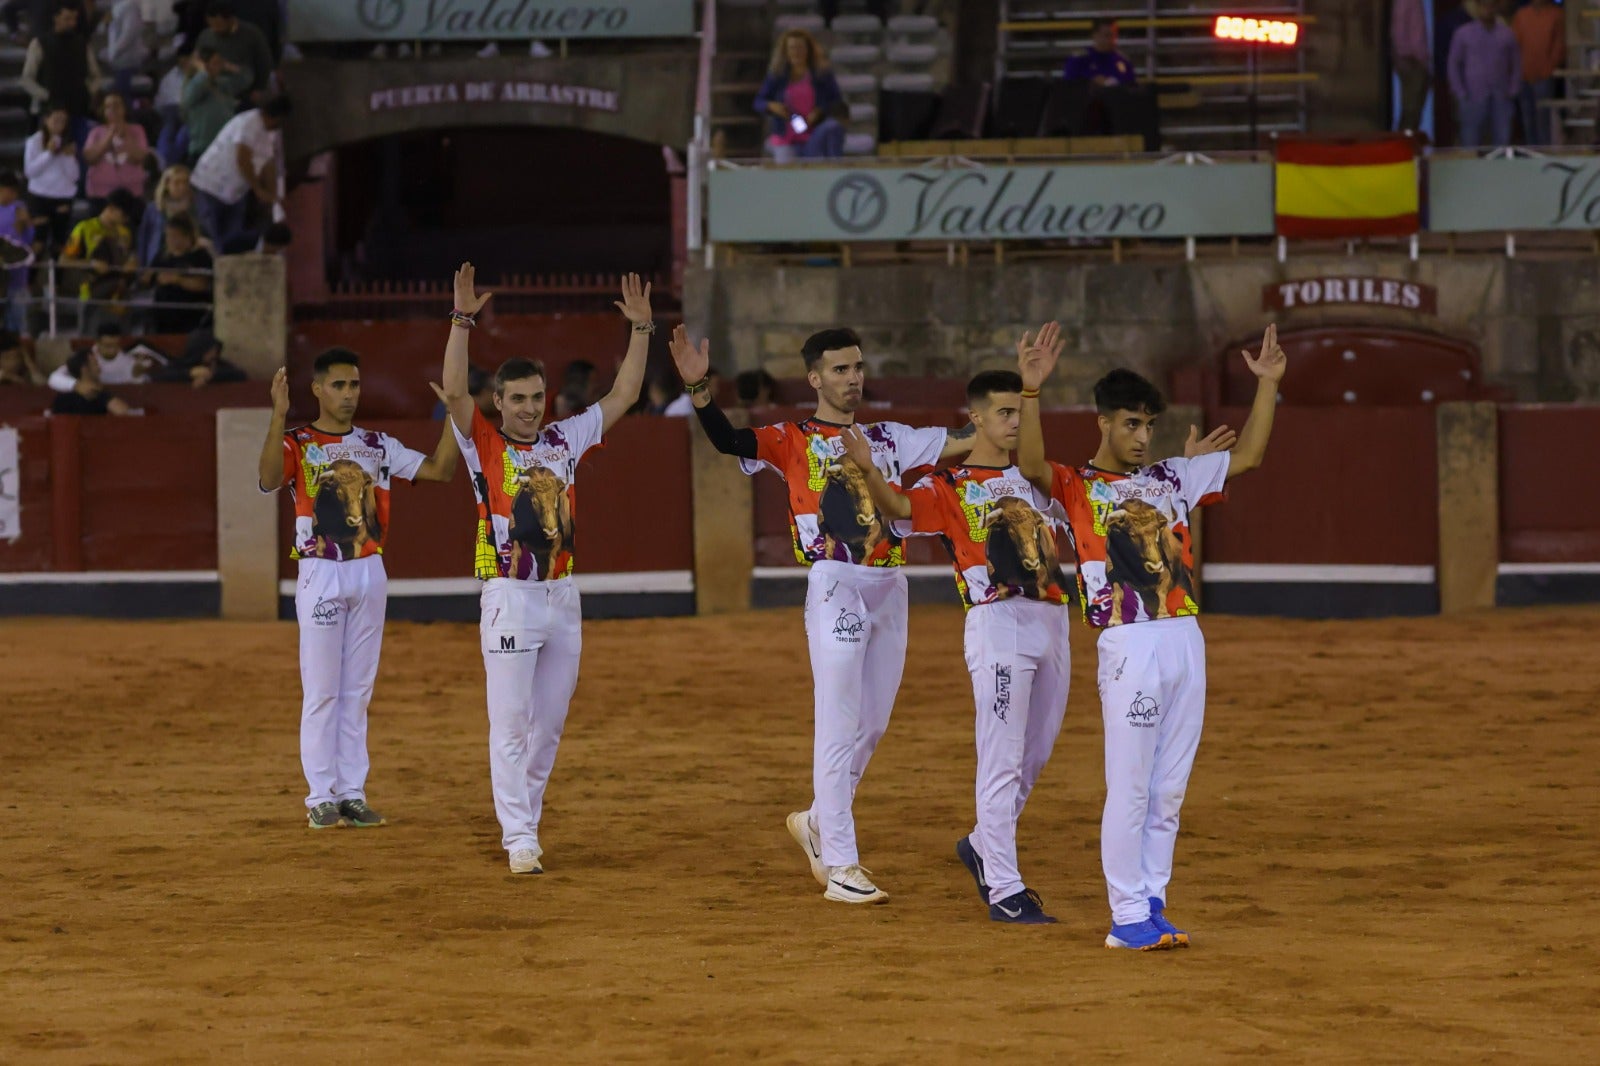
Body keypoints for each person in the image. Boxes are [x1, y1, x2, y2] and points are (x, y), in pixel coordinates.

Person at [667, 323, 977, 904]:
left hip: (890, 584)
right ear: (814, 378)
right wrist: (700, 389)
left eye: (857, 367)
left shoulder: (890, 437)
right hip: (835, 581)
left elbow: (962, 440)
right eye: (839, 369)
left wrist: (1011, 412)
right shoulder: (790, 437)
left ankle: (817, 821)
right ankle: (840, 863)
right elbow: (730, 443)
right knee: (837, 722)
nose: (852, 378)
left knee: (873, 723)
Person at [1015, 322, 1283, 951]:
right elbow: (1029, 463)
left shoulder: (1171, 479)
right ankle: (1126, 914)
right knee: (1132, 785)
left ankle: (1153, 898)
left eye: (1148, 426)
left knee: (1168, 787)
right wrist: (1031, 393)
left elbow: (1249, 458)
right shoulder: (1075, 487)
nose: (1141, 437)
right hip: (1128, 642)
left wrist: (1268, 386)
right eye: (1131, 424)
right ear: (1103, 423)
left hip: (1185, 637)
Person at [837, 364, 1075, 924]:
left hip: (1052, 620)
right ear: (976, 418)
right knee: (1001, 758)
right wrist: (871, 471)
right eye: (1004, 413)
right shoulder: (945, 487)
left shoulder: (1036, 483)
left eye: (1021, 412)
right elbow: (896, 512)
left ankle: (981, 844)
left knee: (1034, 756)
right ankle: (1005, 888)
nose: (1015, 423)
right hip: (998, 624)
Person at [435, 264, 653, 874]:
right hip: (508, 593)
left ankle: (525, 821)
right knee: (510, 724)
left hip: (561, 595)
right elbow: (454, 391)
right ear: (498, 402)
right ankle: (518, 836)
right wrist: (461, 321)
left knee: (548, 727)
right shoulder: (481, 441)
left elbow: (625, 395)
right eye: (518, 400)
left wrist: (642, 331)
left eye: (537, 398)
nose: (530, 409)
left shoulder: (566, 438)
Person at [256, 346, 459, 830]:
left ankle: (351, 792)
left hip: (369, 570)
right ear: (318, 390)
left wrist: (454, 415)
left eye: (355, 385)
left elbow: (440, 470)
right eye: (340, 386)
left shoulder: (378, 444)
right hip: (321, 570)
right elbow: (266, 480)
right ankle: (319, 796)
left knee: (358, 690)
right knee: (323, 689)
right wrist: (277, 415)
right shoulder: (297, 442)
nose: (349, 394)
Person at [189, 95, 289, 250]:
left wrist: (272, 197)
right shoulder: (249, 123)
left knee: (231, 241)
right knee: (212, 240)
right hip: (211, 186)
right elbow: (242, 159)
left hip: (234, 192)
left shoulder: (269, 132)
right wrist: (258, 189)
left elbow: (268, 164)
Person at [754, 29, 845, 163]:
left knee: (832, 128)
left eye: (800, 48)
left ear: (808, 50)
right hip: (786, 137)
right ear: (786, 51)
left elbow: (836, 100)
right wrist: (772, 106)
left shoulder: (822, 74)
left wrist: (820, 110)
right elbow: (758, 102)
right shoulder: (777, 75)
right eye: (792, 48)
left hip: (814, 133)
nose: (796, 52)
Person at [18, 2, 102, 137]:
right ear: (56, 18)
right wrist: (47, 95)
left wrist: (87, 91)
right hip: (50, 113)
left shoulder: (82, 44)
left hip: (77, 109)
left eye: (74, 18)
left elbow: (96, 76)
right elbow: (27, 79)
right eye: (67, 18)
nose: (72, 23)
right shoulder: (39, 44)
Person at [1448, 2, 1521, 149]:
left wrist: (1513, 89)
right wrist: (1460, 92)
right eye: (1484, 5)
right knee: (1470, 144)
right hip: (1472, 98)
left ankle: (1499, 172)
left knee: (1502, 145)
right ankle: (1471, 171)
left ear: (1497, 8)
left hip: (1501, 97)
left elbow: (1516, 63)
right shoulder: (1463, 33)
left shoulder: (1507, 34)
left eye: (1492, 5)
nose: (1488, 9)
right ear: (1478, 8)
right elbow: (1453, 64)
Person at [60, 187, 137, 320]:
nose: (125, 220)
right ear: (111, 208)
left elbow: (129, 257)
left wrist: (132, 262)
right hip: (91, 294)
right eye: (123, 215)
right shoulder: (84, 228)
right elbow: (64, 260)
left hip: (119, 296)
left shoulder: (125, 233)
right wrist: (91, 263)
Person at [23, 104, 80, 252]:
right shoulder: (34, 141)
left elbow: (74, 176)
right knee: (38, 242)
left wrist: (68, 158)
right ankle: (29, 275)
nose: (59, 124)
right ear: (46, 120)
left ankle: (57, 274)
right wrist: (48, 153)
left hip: (62, 196)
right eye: (56, 120)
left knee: (60, 243)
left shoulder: (69, 143)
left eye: (63, 121)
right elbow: (30, 171)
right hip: (39, 195)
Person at [143, 212, 212, 333]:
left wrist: (177, 279)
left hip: (191, 315)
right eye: (168, 236)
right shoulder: (162, 255)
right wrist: (148, 277)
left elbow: (203, 285)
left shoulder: (200, 256)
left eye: (175, 236)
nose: (170, 240)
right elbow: (146, 279)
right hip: (162, 314)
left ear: (187, 236)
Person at [195, 0, 273, 105]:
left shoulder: (252, 34)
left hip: (244, 87)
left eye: (218, 25)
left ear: (231, 19)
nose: (215, 29)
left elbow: (264, 62)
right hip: (215, 89)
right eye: (211, 24)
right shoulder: (206, 36)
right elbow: (197, 60)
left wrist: (259, 88)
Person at [82, 91, 150, 207]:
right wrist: (109, 136)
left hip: (132, 192)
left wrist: (126, 136)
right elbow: (90, 158)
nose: (113, 109)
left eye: (117, 105)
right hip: (100, 193)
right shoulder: (96, 132)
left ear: (124, 108)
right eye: (108, 106)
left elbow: (140, 157)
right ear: (103, 111)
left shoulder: (137, 130)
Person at [1512, 0, 1563, 146]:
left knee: (1543, 120)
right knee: (1527, 119)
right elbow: (1514, 46)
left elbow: (1559, 47)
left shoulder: (1556, 14)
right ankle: (1531, 154)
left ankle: (1544, 155)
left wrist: (1546, 71)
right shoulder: (1521, 15)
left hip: (1544, 77)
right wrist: (1519, 72)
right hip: (1523, 77)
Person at [47, 321, 152, 389]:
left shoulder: (129, 362)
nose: (112, 350)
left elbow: (137, 391)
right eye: (108, 346)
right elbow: (54, 378)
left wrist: (137, 375)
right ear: (97, 342)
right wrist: (77, 385)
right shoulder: (85, 358)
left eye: (116, 345)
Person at [181, 45, 237, 165]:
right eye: (215, 63)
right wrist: (202, 72)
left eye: (220, 63)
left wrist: (231, 68)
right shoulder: (194, 86)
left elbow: (241, 81)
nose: (219, 67)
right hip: (204, 149)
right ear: (205, 65)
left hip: (224, 147)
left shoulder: (222, 84)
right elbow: (190, 96)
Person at [135, 164, 197, 267]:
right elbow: (143, 239)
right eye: (177, 183)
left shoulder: (196, 209)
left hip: (187, 261)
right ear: (167, 184)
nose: (182, 187)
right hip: (157, 260)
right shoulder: (153, 209)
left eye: (185, 182)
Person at [50, 346, 135, 414]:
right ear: (85, 369)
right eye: (95, 364)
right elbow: (123, 411)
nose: (99, 368)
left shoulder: (61, 397)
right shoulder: (97, 395)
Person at [149, 324, 243, 386]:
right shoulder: (180, 365)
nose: (214, 354)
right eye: (209, 351)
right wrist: (190, 373)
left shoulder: (219, 365)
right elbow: (158, 377)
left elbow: (240, 375)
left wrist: (210, 376)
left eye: (215, 350)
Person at [0, 172, 34, 335]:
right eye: (10, 190)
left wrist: (25, 223)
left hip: (17, 279)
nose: (13, 195)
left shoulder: (20, 208)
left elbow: (28, 241)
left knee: (18, 327)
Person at [1391, 0, 1430, 133]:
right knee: (1411, 109)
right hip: (1412, 60)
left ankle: (1407, 143)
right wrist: (1421, 58)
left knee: (1412, 108)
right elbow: (1402, 30)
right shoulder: (1409, 2)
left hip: (1409, 59)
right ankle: (1404, 145)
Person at [1063, 18, 1136, 87]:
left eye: (1114, 36)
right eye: (1106, 35)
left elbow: (1131, 89)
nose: (1111, 40)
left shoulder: (1122, 61)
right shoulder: (1079, 60)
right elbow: (1069, 88)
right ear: (1095, 35)